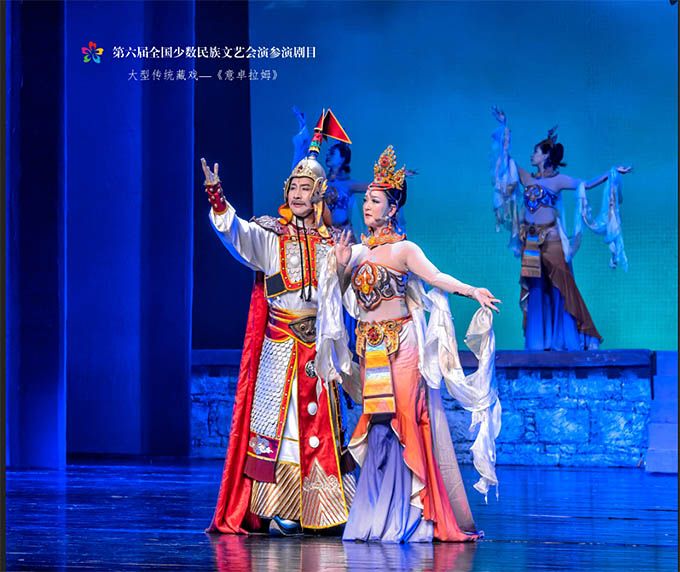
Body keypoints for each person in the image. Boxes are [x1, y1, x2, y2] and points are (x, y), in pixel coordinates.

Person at [315, 145, 502, 543]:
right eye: (366, 199)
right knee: (377, 425)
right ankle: (376, 514)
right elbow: (343, 297)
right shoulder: (359, 251)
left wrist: (472, 291)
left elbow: (436, 277)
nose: (367, 206)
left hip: (402, 346)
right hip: (370, 349)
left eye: (375, 201)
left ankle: (411, 515)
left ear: (392, 208)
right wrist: (342, 265)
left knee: (403, 423)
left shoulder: (404, 249)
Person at [204, 109, 356, 536]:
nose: (298, 194)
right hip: (280, 346)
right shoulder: (271, 236)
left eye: (306, 188)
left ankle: (324, 506)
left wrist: (343, 268)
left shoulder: (333, 242)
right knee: (280, 424)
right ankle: (279, 504)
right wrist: (218, 199)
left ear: (320, 193)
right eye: (293, 187)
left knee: (323, 425)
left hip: (318, 348)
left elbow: (343, 296)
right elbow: (237, 234)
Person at [491, 107, 631, 351]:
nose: (532, 155)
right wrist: (504, 127)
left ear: (545, 155)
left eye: (535, 152)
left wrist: (610, 173)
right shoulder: (527, 178)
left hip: (552, 238)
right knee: (536, 288)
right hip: (530, 241)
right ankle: (539, 342)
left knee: (563, 285)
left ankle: (584, 334)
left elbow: (585, 184)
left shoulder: (558, 180)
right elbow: (506, 161)